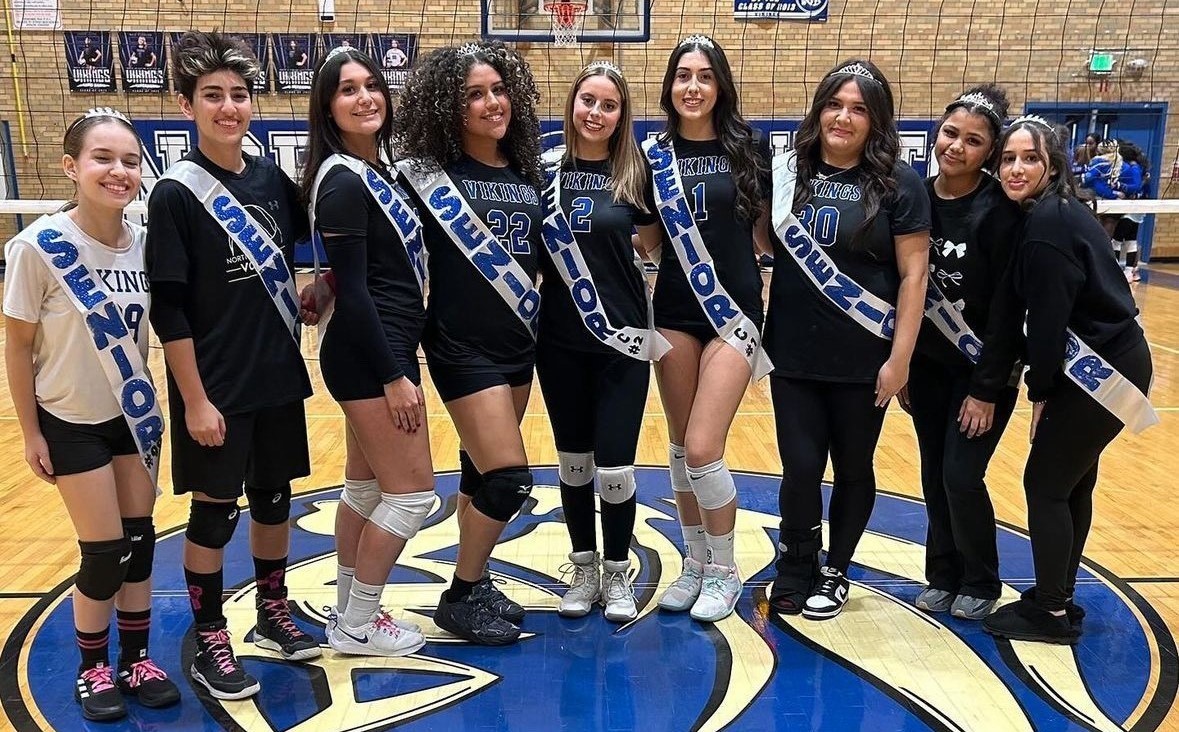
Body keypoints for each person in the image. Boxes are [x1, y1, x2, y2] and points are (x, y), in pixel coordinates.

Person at [146, 30, 319, 701]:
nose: (228, 107)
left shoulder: (270, 178)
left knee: (275, 500)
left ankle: (273, 609)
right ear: (186, 105)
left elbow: (309, 248)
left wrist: (317, 286)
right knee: (215, 514)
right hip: (213, 385)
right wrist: (193, 400)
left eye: (238, 95)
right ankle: (209, 634)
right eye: (212, 96)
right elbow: (171, 308)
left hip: (274, 371)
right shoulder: (174, 195)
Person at [4, 108, 180, 721]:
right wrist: (31, 433)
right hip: (70, 420)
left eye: (130, 160)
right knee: (103, 550)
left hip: (132, 419)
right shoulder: (38, 248)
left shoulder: (146, 243)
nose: (118, 171)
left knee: (139, 542)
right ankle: (93, 667)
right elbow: (18, 346)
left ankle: (136, 658)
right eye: (103, 159)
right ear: (71, 168)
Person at [765, 58, 930, 620]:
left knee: (854, 467)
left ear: (876, 120)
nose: (843, 117)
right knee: (801, 466)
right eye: (835, 104)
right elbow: (761, 240)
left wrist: (900, 358)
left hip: (865, 356)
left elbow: (914, 275)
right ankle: (796, 566)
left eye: (858, 109)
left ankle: (836, 568)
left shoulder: (898, 184)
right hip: (792, 352)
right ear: (818, 109)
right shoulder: (787, 172)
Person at [391, 40, 543, 645]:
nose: (491, 103)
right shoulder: (427, 179)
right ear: (448, 109)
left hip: (518, 344)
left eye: (498, 90)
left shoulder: (528, 172)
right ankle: (460, 592)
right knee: (510, 478)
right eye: (474, 95)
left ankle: (475, 584)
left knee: (481, 472)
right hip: (460, 347)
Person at [982, 116, 1156, 644]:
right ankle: (1059, 595)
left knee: (1045, 483)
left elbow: (1050, 321)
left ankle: (1052, 613)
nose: (1015, 168)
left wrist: (1042, 392)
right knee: (1073, 481)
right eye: (1008, 158)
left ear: (1052, 165)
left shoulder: (1047, 227)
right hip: (1120, 358)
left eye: (1029, 158)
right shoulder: (1055, 213)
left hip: (1101, 368)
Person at [301, 46, 431, 656]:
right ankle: (359, 622)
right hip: (369, 355)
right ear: (327, 107)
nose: (364, 97)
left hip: (379, 345)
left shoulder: (379, 170)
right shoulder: (344, 181)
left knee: (365, 490)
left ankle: (348, 608)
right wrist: (394, 376)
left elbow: (357, 269)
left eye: (371, 85)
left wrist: (323, 282)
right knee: (412, 495)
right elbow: (355, 290)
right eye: (347, 89)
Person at [645, 35, 773, 623]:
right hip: (673, 308)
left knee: (703, 446)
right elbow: (649, 242)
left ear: (720, 85)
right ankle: (694, 563)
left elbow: (771, 237)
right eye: (682, 76)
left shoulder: (749, 149)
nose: (691, 86)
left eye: (703, 75)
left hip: (733, 312)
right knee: (679, 449)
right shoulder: (652, 156)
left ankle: (724, 567)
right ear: (670, 87)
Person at [538, 60, 667, 622]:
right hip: (559, 341)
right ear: (572, 105)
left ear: (622, 115)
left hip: (622, 341)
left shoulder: (637, 177)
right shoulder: (542, 174)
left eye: (608, 105)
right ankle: (584, 567)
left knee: (615, 467)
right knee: (573, 464)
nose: (595, 112)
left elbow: (661, 247)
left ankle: (617, 574)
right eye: (587, 101)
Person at [905, 85, 1022, 621]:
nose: (956, 147)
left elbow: (1007, 310)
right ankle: (942, 573)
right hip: (927, 367)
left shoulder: (1001, 210)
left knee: (961, 474)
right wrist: (902, 363)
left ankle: (982, 578)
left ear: (990, 152)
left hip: (982, 372)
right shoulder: (915, 197)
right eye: (951, 133)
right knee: (933, 472)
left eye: (973, 141)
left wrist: (987, 389)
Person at [1113, 141, 1148, 282]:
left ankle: (1116, 270)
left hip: (1130, 207)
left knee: (1117, 239)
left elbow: (1135, 187)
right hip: (1136, 207)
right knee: (1130, 240)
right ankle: (1128, 271)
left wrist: (1118, 186)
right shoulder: (1139, 167)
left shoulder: (1132, 169)